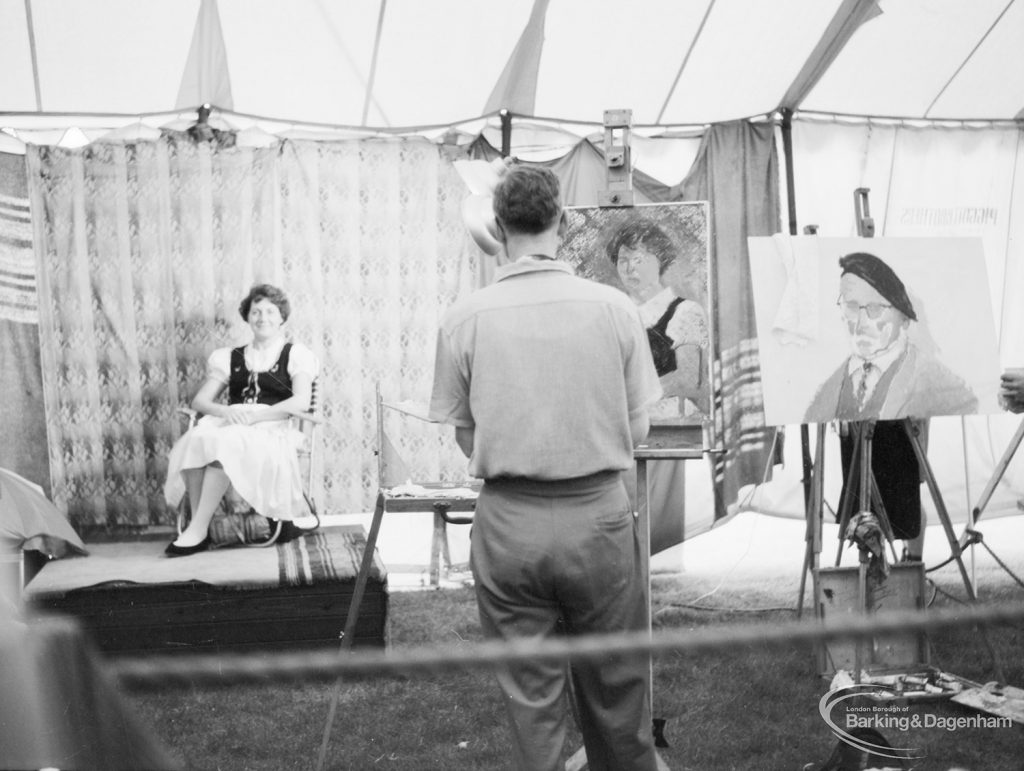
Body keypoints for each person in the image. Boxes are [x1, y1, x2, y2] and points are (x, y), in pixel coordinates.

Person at [429, 165, 662, 771]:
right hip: (598, 519)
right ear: (561, 221)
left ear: (498, 226)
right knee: (616, 687)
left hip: (509, 520)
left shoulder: (464, 317)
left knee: (531, 701)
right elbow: (638, 429)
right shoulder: (614, 308)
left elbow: (463, 432)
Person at [804, 252, 977, 562]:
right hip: (864, 422)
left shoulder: (915, 338)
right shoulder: (843, 366)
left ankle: (912, 562)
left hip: (904, 420)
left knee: (906, 489)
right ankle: (876, 565)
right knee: (865, 490)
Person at [163, 284, 318, 557]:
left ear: (282, 317)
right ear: (247, 318)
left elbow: (300, 402)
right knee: (197, 439)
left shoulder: (295, 354)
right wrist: (225, 412)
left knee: (226, 443)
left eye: (271, 311)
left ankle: (197, 529)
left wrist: (258, 416)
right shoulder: (230, 357)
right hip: (233, 422)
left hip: (273, 426)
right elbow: (200, 401)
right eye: (255, 311)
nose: (263, 318)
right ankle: (200, 524)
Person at [803, 251, 978, 423]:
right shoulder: (823, 393)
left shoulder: (941, 384)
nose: (861, 323)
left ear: (903, 317)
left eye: (875, 308)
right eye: (851, 306)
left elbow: (970, 404)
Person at [606, 220, 710, 417]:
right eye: (623, 260)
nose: (629, 269)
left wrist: (628, 397)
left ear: (660, 259)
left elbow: (688, 380)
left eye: (638, 259)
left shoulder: (685, 311)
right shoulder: (614, 315)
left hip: (674, 424)